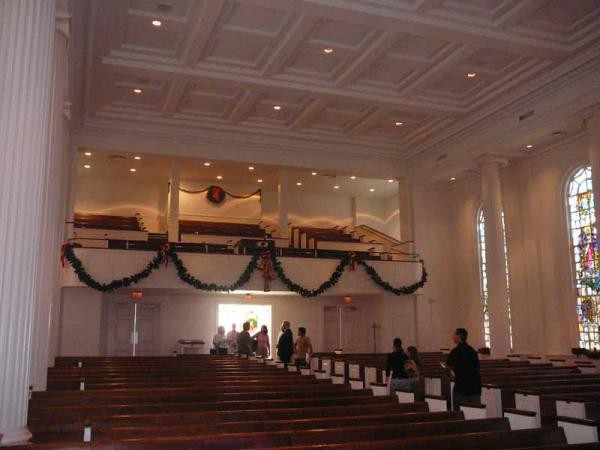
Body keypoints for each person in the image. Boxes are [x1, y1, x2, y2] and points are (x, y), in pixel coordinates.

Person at [446, 328, 482, 410]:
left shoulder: (455, 352)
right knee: (475, 413)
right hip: (474, 387)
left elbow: (448, 367)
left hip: (461, 388)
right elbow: (477, 367)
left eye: (454, 335)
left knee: (461, 413)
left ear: (458, 336)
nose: (453, 337)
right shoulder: (472, 351)